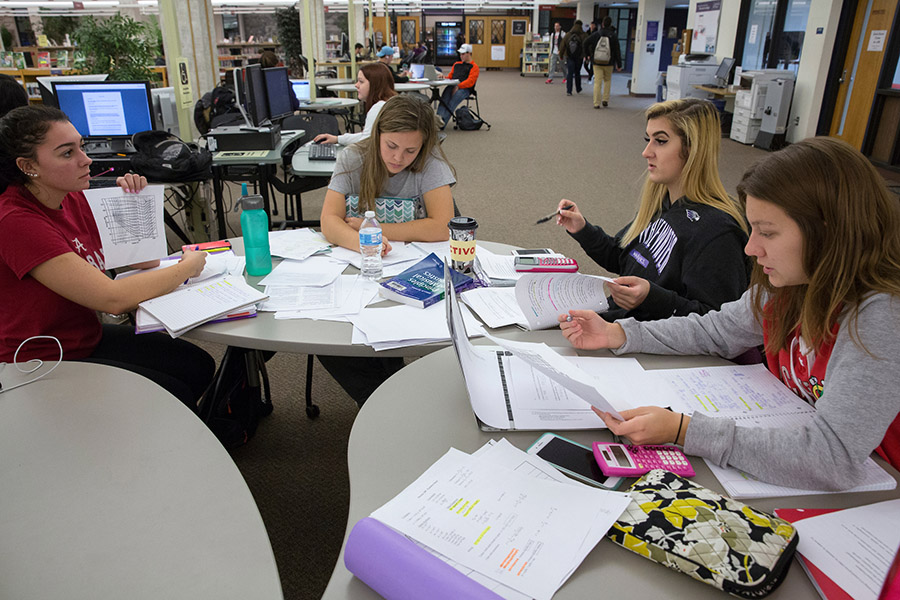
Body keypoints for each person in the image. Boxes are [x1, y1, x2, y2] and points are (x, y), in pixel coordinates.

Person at [559, 136, 900, 490]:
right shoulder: (796, 283)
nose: (751, 248)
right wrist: (622, 334)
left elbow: (832, 457)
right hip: (798, 461)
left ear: (828, 233)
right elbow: (718, 331)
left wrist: (684, 431)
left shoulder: (881, 316)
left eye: (767, 233)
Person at [0, 105, 215, 409]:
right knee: (173, 393)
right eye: (67, 153)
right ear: (27, 166)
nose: (85, 159)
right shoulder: (16, 222)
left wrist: (129, 204)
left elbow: (143, 262)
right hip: (43, 359)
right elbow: (113, 299)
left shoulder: (70, 195)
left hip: (82, 337)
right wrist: (187, 267)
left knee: (197, 366)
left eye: (81, 147)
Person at [557, 98, 750, 322]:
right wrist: (582, 229)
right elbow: (624, 259)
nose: (646, 152)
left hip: (648, 346)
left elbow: (718, 325)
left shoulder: (717, 231)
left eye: (660, 141)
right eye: (648, 140)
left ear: (692, 150)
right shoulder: (663, 203)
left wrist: (652, 298)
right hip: (618, 325)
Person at [318, 94, 456, 406]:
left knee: (398, 329)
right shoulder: (353, 158)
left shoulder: (429, 164)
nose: (398, 157)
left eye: (410, 150)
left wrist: (372, 230)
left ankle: (389, 401)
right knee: (331, 335)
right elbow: (329, 220)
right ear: (377, 133)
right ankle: (389, 401)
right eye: (391, 146)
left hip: (411, 273)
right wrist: (366, 244)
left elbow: (441, 225)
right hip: (361, 271)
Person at [313, 62, 396, 146]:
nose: (356, 85)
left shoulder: (378, 108)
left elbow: (365, 142)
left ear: (375, 84)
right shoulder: (390, 103)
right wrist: (337, 139)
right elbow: (367, 136)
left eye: (361, 81)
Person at [436, 43, 480, 130]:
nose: (461, 56)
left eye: (463, 54)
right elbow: (450, 77)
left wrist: (459, 86)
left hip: (465, 89)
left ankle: (441, 125)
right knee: (443, 99)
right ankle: (437, 120)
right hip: (453, 85)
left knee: (452, 102)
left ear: (469, 53)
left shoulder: (474, 67)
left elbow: (470, 82)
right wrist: (443, 77)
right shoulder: (456, 64)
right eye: (460, 54)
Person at [584, 16, 623, 108]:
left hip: (597, 62)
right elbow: (617, 51)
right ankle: (605, 100)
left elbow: (585, 42)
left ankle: (596, 103)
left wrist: (588, 55)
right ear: (610, 24)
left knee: (597, 82)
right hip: (609, 62)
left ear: (602, 24)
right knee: (607, 81)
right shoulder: (613, 36)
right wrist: (619, 64)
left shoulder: (596, 34)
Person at [559, 20, 587, 96]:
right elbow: (587, 46)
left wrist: (561, 55)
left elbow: (562, 46)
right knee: (577, 72)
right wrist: (586, 56)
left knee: (570, 73)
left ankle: (569, 90)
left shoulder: (568, 34)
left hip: (569, 56)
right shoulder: (584, 35)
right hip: (579, 57)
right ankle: (578, 88)